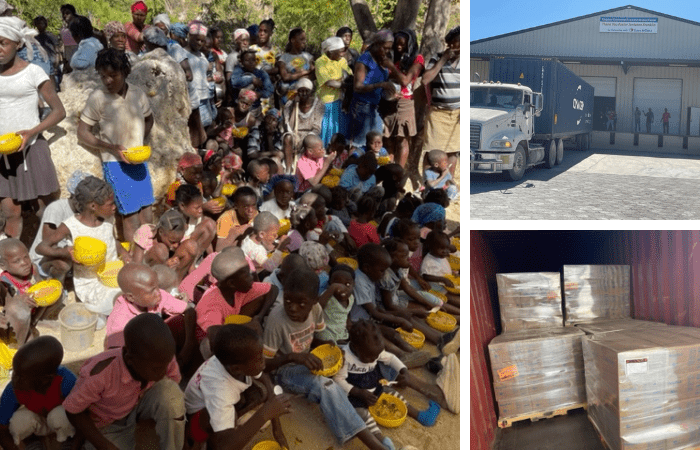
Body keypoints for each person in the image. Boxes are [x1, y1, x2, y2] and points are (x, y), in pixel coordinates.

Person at [262, 267, 393, 450]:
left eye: (301, 304)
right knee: (327, 386)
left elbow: (312, 338)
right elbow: (264, 366)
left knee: (352, 363)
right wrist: (293, 356)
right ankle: (374, 444)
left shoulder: (316, 310)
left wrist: (326, 345)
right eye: (288, 300)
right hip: (285, 370)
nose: (292, 307)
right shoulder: (276, 321)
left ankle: (369, 429)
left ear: (314, 301)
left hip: (308, 360)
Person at [63, 313, 185, 450]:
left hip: (139, 405)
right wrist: (104, 445)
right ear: (129, 359)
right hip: (109, 424)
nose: (164, 371)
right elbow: (73, 411)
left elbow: (172, 387)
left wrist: (167, 412)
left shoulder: (161, 357)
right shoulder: (100, 374)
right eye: (157, 368)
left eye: (167, 363)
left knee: (172, 395)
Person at [77, 48, 155, 243]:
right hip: (115, 164)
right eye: (103, 76)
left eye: (113, 75)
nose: (108, 81)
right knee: (131, 217)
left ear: (125, 72)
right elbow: (82, 132)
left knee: (147, 214)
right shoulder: (98, 97)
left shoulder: (137, 94)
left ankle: (150, 256)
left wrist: (139, 144)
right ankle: (136, 263)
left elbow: (149, 120)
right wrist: (111, 147)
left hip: (138, 163)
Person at [0, 17, 64, 239]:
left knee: (45, 210)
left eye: (2, 43)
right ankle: (11, 266)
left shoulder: (33, 72)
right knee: (10, 212)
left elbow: (58, 111)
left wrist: (32, 131)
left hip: (32, 149)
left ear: (17, 44)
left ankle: (49, 258)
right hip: (3, 154)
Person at [36, 177, 128, 324]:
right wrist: (65, 252)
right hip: (90, 281)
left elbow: (113, 241)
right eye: (110, 204)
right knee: (118, 302)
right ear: (93, 206)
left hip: (113, 274)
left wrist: (124, 253)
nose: (114, 207)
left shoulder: (107, 220)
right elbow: (41, 248)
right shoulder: (71, 225)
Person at [184, 324, 291, 449]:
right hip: (196, 423)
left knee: (261, 392)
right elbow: (225, 446)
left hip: (212, 406)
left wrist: (276, 426)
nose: (264, 360)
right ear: (236, 368)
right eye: (259, 359)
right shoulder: (220, 390)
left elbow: (265, 378)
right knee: (230, 426)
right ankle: (202, 443)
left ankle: (233, 423)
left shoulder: (232, 360)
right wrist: (265, 413)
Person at [333, 320, 444, 434]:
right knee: (361, 415)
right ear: (356, 348)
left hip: (374, 385)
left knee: (392, 394)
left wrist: (403, 370)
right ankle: (381, 440)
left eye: (377, 355)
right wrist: (358, 392)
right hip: (355, 395)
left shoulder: (372, 351)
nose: (375, 359)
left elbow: (390, 358)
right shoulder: (344, 356)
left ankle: (419, 415)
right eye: (371, 357)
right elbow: (338, 379)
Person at [0, 336, 76, 449]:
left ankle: (68, 439)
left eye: (21, 376)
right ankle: (31, 442)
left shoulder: (66, 381)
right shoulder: (14, 388)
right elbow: (2, 427)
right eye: (15, 373)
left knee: (61, 416)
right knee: (18, 422)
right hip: (39, 422)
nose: (15, 379)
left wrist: (76, 446)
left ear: (45, 379)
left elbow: (83, 415)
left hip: (59, 420)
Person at [104, 263, 192, 349]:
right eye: (152, 290)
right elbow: (116, 354)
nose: (158, 292)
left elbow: (189, 310)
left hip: (152, 342)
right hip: (136, 355)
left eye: (157, 286)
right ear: (131, 297)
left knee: (179, 320)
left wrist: (188, 344)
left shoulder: (157, 297)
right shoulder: (120, 322)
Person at [195, 247, 277, 334]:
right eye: (247, 275)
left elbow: (273, 289)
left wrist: (258, 317)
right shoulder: (211, 305)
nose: (252, 277)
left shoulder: (236, 288)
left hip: (230, 327)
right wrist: (247, 326)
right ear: (231, 283)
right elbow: (215, 337)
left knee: (260, 299)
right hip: (211, 342)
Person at [29, 170, 88, 283]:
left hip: (70, 254)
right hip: (45, 258)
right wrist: (70, 253)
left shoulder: (86, 211)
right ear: (73, 195)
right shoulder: (57, 208)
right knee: (62, 264)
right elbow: (48, 246)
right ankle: (56, 287)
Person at [418, 26, 460, 180]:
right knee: (431, 152)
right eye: (455, 43)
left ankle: (447, 185)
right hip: (437, 114)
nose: (458, 47)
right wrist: (443, 60)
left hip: (456, 114)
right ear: (449, 44)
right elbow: (425, 79)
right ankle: (427, 184)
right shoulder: (437, 57)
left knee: (452, 152)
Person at [382, 29, 423, 170]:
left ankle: (398, 172)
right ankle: (388, 169)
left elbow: (406, 81)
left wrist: (391, 66)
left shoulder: (418, 59)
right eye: (397, 44)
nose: (399, 47)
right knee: (387, 138)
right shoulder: (392, 57)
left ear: (410, 45)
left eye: (403, 44)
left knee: (402, 139)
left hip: (405, 103)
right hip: (388, 102)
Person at [350, 30, 396, 149]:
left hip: (374, 107)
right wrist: (380, 85)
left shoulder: (382, 61)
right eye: (384, 48)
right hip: (362, 106)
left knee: (376, 143)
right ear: (376, 44)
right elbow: (357, 87)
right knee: (360, 143)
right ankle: (353, 166)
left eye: (389, 49)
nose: (386, 51)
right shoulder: (365, 60)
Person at [0, 239, 44, 345]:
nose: (24, 263)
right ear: (3, 265)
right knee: (31, 341)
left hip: (35, 309)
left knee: (56, 294)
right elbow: (8, 308)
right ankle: (23, 337)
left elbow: (41, 285)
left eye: (26, 257)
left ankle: (36, 321)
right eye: (17, 261)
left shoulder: (33, 270)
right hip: (20, 317)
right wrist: (21, 300)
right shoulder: (5, 282)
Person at [282, 78, 326, 173]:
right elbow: (289, 126)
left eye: (307, 91)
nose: (304, 94)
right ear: (297, 92)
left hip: (310, 136)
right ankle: (289, 169)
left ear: (311, 92)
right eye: (301, 91)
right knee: (287, 137)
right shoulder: (290, 105)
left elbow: (317, 128)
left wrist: (304, 141)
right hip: (295, 134)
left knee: (309, 140)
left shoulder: (318, 104)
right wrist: (295, 106)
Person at [316, 36, 351, 147]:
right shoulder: (320, 62)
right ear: (331, 52)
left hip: (342, 102)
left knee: (341, 130)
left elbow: (350, 76)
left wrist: (342, 83)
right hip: (328, 102)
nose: (342, 54)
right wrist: (345, 84)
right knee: (329, 130)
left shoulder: (342, 61)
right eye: (340, 52)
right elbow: (329, 82)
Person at [186, 21, 216, 133]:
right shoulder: (182, 53)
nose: (199, 43)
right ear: (189, 36)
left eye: (202, 41)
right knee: (194, 132)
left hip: (205, 98)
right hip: (193, 100)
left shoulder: (202, 55)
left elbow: (201, 76)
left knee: (206, 128)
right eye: (197, 39)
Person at [315, 263, 355, 343]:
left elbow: (346, 313)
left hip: (341, 331)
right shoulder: (328, 296)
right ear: (329, 284)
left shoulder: (351, 298)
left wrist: (348, 322)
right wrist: (332, 289)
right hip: (326, 332)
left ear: (354, 285)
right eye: (337, 284)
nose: (342, 288)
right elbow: (317, 308)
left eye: (347, 284)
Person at [420, 230, 459, 307]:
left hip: (446, 285)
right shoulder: (429, 261)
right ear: (431, 247)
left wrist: (453, 275)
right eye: (442, 248)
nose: (445, 251)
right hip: (438, 290)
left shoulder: (440, 256)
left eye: (447, 248)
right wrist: (443, 279)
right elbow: (426, 276)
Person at [276, 27, 314, 105]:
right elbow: (285, 77)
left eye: (305, 40)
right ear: (293, 40)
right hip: (290, 96)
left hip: (306, 96)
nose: (304, 42)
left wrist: (295, 76)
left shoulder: (308, 57)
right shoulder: (284, 58)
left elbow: (314, 75)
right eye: (301, 39)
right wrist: (306, 72)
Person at [216, 186, 258, 250]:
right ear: (236, 206)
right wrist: (236, 232)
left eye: (254, 205)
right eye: (246, 207)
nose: (251, 210)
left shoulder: (256, 214)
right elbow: (219, 249)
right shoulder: (226, 218)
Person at [59, 4, 79, 73]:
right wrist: (65, 63)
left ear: (73, 14)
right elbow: (65, 48)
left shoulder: (80, 28)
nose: (65, 15)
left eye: (67, 13)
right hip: (69, 65)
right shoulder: (63, 30)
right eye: (63, 14)